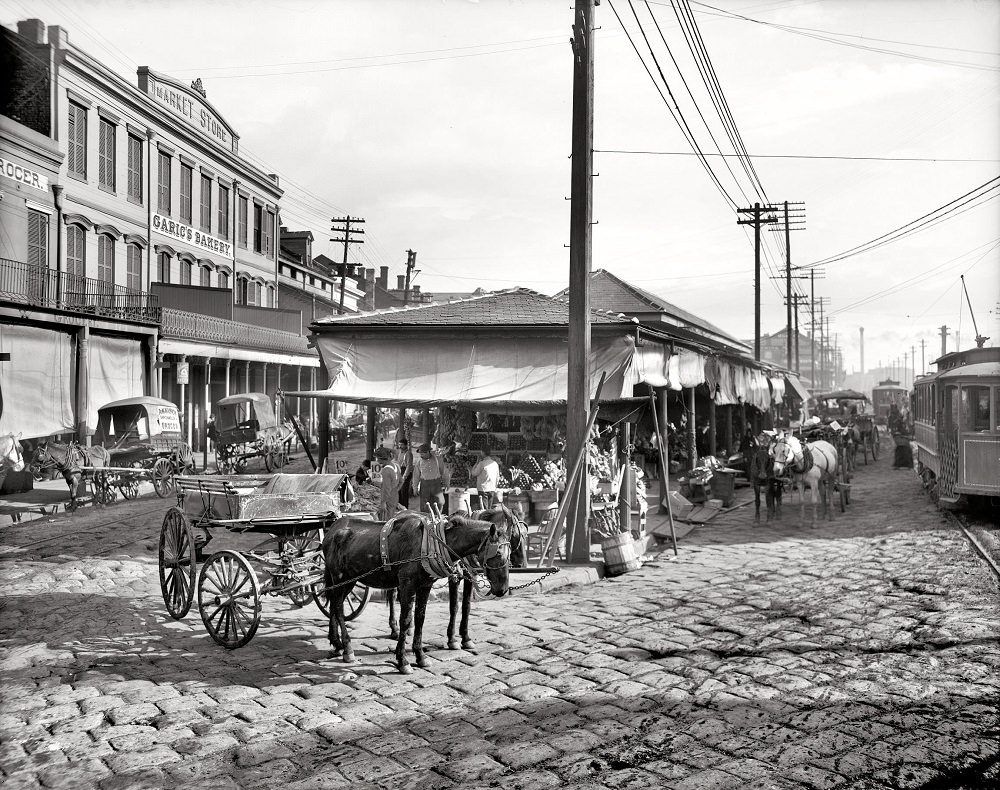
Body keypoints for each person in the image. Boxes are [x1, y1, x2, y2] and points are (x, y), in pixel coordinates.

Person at [411, 442, 445, 515]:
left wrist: (446, 483)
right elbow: (416, 476)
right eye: (420, 453)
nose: (421, 455)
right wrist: (415, 488)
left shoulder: (438, 459)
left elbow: (443, 471)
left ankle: (438, 519)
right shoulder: (419, 462)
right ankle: (426, 521)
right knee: (425, 505)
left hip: (436, 484)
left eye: (423, 453)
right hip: (425, 485)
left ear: (429, 452)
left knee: (440, 502)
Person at [378, 448, 402, 519]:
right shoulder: (396, 466)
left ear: (382, 459)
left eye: (378, 459)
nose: (377, 461)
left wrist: (383, 502)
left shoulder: (386, 470)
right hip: (394, 495)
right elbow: (401, 481)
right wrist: (395, 490)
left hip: (388, 498)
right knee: (391, 517)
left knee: (386, 521)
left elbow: (386, 488)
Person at [397, 438, 413, 509]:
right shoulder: (400, 453)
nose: (400, 446)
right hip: (400, 472)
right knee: (399, 491)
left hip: (405, 473)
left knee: (404, 492)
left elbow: (409, 466)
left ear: (406, 445)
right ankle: (400, 507)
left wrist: (404, 476)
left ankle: (405, 509)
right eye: (399, 445)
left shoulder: (408, 453)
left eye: (402, 445)